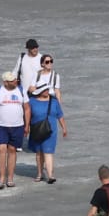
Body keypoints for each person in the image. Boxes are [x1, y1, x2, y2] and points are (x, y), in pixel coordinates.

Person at [0, 70, 28, 190]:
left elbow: (27, 109)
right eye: (12, 80)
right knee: (1, 149)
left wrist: (27, 125)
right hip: (1, 126)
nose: (15, 81)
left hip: (17, 126)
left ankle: (10, 178)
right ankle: (1, 178)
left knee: (12, 150)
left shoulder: (21, 90)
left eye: (15, 80)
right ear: (5, 82)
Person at [26, 54, 64, 183]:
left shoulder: (55, 76)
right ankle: (39, 173)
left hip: (50, 103)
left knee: (48, 150)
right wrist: (39, 90)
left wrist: (58, 104)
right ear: (42, 63)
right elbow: (30, 88)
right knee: (39, 151)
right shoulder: (37, 75)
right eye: (47, 62)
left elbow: (57, 90)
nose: (50, 63)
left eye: (51, 61)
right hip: (38, 102)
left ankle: (50, 175)